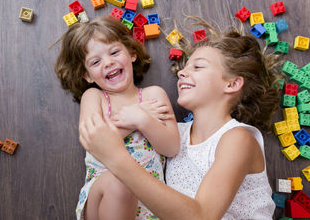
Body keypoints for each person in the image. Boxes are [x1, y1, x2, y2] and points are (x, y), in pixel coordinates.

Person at [79, 17, 281, 219]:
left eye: (198, 67)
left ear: (231, 84)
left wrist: (115, 157)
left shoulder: (238, 139)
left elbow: (202, 216)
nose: (182, 72)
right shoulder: (178, 134)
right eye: (185, 67)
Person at [55, 15, 180, 220]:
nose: (108, 62)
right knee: (121, 182)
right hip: (104, 196)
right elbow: (94, 141)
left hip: (151, 203)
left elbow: (172, 147)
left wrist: (143, 120)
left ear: (131, 53)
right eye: (95, 62)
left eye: (114, 52)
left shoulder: (153, 95)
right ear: (87, 76)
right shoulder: (94, 97)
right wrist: (134, 118)